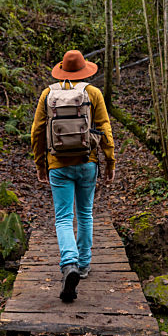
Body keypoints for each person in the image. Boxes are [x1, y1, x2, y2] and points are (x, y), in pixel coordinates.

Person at [30, 50, 115, 302]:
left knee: (64, 217)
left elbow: (36, 132)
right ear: (84, 70)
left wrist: (40, 164)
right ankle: (84, 265)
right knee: (85, 212)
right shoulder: (93, 93)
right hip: (87, 162)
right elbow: (105, 129)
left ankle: (69, 264)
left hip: (58, 164)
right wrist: (110, 161)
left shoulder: (48, 94)